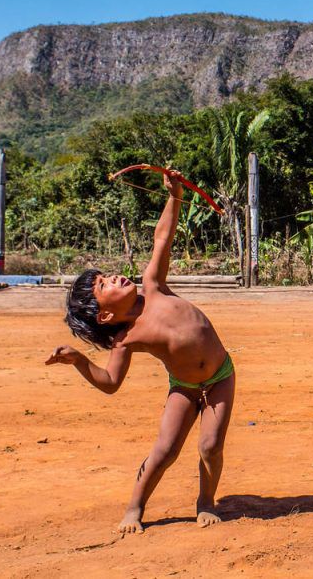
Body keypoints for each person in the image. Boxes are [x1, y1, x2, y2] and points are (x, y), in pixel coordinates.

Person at [46, 171, 235, 534]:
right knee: (165, 451)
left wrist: (175, 195)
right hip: (184, 385)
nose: (114, 276)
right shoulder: (126, 338)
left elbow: (162, 236)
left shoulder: (154, 285)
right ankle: (134, 507)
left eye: (107, 274)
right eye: (104, 284)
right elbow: (111, 382)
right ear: (104, 314)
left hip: (221, 376)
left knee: (210, 447)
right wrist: (80, 360)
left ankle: (206, 502)